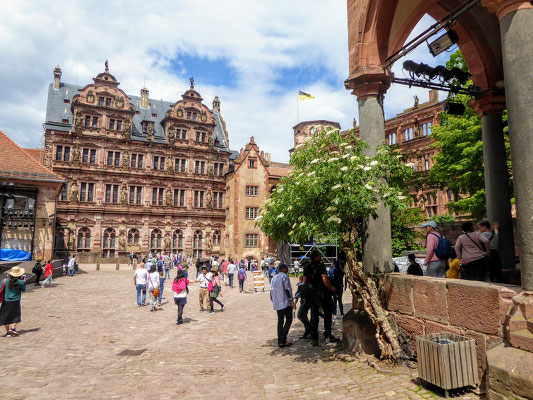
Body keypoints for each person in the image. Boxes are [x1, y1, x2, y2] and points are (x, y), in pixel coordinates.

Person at [303, 250, 339, 346]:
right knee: (327, 315)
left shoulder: (306, 266)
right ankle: (327, 336)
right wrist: (332, 288)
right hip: (322, 293)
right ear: (316, 257)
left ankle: (315, 339)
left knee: (314, 317)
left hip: (312, 294)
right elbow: (325, 279)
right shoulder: (320, 265)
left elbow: (304, 281)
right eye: (319, 255)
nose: (321, 256)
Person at [270, 263, 296, 347]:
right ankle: (282, 339)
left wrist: (273, 300)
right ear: (283, 268)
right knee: (289, 320)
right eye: (286, 268)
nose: (287, 269)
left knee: (280, 321)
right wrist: (292, 301)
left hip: (277, 302)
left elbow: (271, 291)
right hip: (285, 302)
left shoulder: (274, 278)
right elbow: (287, 289)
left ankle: (280, 341)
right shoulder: (285, 276)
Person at [0, 266, 26, 337]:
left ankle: (8, 332)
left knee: (5, 316)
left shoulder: (5, 281)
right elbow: (23, 289)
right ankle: (13, 328)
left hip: (6, 301)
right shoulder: (20, 282)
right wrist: (24, 282)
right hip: (16, 301)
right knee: (16, 315)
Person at [294, 273, 311, 339]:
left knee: (300, 315)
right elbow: (298, 294)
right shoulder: (301, 285)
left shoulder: (305, 285)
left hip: (305, 301)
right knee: (304, 316)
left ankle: (310, 329)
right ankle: (307, 331)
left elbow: (299, 293)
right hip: (304, 301)